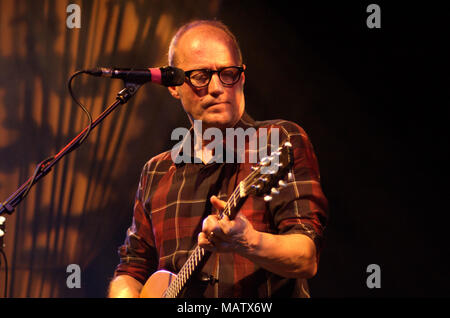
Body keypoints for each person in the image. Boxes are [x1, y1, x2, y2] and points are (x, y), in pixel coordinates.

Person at [108, 20, 328, 298]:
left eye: (228, 73)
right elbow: (131, 270)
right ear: (174, 86)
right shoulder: (156, 171)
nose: (217, 87)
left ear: (242, 78)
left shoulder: (279, 139)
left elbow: (306, 257)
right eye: (201, 76)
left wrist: (248, 241)